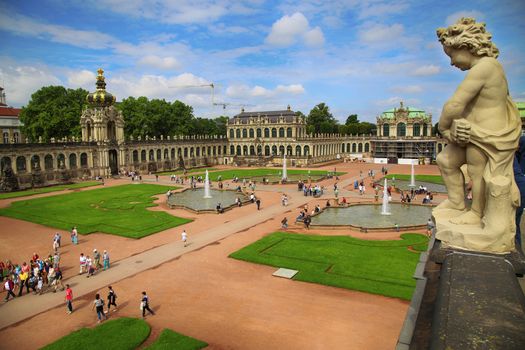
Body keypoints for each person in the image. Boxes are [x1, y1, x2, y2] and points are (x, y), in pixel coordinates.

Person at [435, 18, 521, 225]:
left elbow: (454, 104)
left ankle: (476, 213)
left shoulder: (486, 67)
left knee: (477, 171)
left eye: (452, 55)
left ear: (466, 46)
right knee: (445, 161)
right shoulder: (487, 68)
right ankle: (457, 203)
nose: (451, 62)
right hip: (470, 131)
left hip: (486, 134)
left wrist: (444, 127)